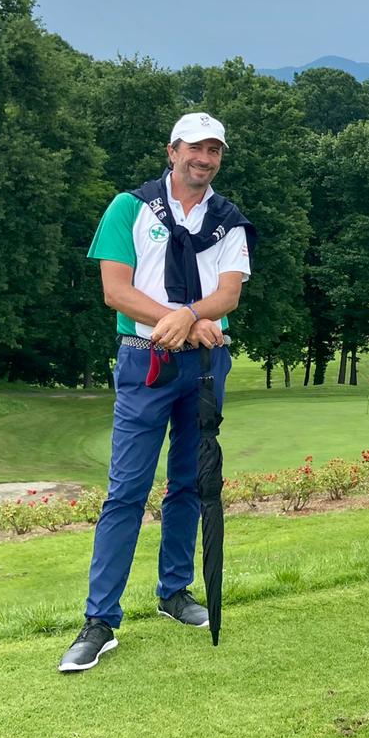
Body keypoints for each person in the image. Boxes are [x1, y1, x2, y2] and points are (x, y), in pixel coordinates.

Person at [59, 112, 255, 672]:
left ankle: (174, 592)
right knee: (126, 490)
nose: (204, 158)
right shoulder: (129, 207)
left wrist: (189, 317)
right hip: (144, 359)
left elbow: (229, 295)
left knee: (189, 482)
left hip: (206, 364)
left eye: (214, 150)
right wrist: (183, 320)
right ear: (172, 151)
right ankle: (100, 620)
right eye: (195, 148)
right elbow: (115, 291)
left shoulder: (228, 220)